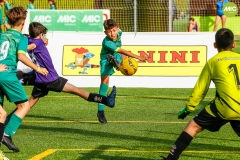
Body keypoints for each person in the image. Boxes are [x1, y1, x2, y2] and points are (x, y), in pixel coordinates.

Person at [5, 21, 117, 151]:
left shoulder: (28, 39)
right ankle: (107, 101)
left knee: (27, 106)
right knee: (78, 91)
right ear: (41, 35)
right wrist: (40, 42)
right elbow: (37, 42)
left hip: (41, 81)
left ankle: (6, 122)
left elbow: (27, 37)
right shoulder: (38, 42)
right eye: (44, 35)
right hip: (51, 79)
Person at [160, 28, 240, 160]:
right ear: (234, 44)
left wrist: (188, 108)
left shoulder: (212, 62)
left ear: (215, 45)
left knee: (193, 126)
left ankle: (171, 159)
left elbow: (200, 90)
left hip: (224, 107)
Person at [0, 6, 49, 153]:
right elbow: (21, 56)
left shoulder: (2, 35)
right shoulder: (20, 38)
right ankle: (6, 134)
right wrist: (38, 68)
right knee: (24, 106)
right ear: (22, 21)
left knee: (1, 114)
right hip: (7, 75)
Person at [97, 19, 149, 124]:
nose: (112, 34)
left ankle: (117, 63)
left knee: (123, 62)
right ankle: (100, 111)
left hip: (116, 55)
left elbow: (121, 51)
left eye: (114, 30)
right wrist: (139, 57)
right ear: (105, 33)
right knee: (104, 84)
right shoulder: (107, 42)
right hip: (105, 59)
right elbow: (122, 50)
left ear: (118, 29)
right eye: (109, 32)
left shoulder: (120, 33)